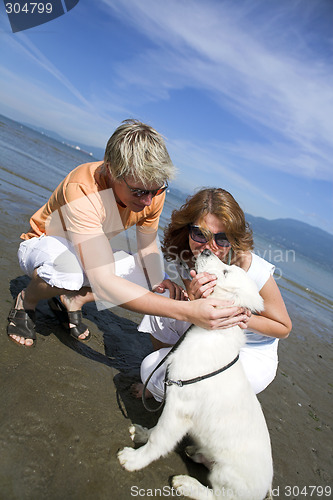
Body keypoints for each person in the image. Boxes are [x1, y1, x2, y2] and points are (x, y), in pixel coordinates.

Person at [7, 121, 247, 348]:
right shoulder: (84, 189)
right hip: (42, 245)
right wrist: (188, 311)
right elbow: (103, 281)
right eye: (140, 191)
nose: (148, 200)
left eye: (156, 190)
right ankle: (27, 300)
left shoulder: (151, 191)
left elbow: (147, 247)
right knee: (68, 272)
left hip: (88, 252)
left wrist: (156, 282)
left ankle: (70, 299)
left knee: (157, 279)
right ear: (111, 170)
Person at [134, 188, 292, 401]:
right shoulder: (188, 256)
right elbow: (196, 306)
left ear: (234, 239)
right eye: (200, 234)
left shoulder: (249, 267)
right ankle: (171, 377)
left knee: (168, 381)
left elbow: (283, 328)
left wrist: (238, 315)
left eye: (222, 239)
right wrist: (192, 299)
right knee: (161, 307)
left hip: (250, 349)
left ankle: (186, 400)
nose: (210, 247)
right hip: (212, 334)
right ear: (187, 229)